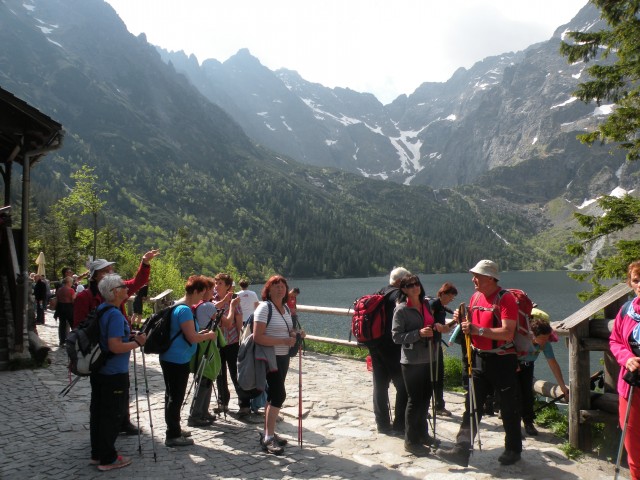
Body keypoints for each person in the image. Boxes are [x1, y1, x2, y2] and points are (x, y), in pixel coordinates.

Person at [437, 259, 522, 467]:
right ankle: (461, 450)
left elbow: (508, 332)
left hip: (502, 359)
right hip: (479, 358)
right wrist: (462, 318)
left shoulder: (506, 299)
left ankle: (513, 449)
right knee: (471, 405)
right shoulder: (476, 296)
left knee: (508, 405)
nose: (473, 279)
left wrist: (478, 330)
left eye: (478, 276)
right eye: (474, 275)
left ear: (491, 278)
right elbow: (471, 324)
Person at [73, 250, 160, 435]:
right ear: (96, 276)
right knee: (103, 390)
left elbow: (137, 282)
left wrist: (145, 263)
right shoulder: (85, 297)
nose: (111, 272)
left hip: (117, 347)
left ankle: (122, 421)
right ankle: (104, 432)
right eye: (107, 270)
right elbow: (79, 327)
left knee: (121, 387)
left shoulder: (115, 293)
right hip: (100, 350)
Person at [90, 274, 147, 471]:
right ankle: (108, 459)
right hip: (114, 372)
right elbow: (115, 346)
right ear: (115, 292)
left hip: (100, 370)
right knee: (112, 416)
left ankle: (97, 454)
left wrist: (128, 336)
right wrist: (137, 343)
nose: (126, 289)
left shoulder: (102, 309)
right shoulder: (114, 314)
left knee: (98, 412)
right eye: (123, 286)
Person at [160, 275, 217, 447]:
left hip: (171, 357)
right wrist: (208, 335)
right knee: (175, 397)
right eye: (203, 293)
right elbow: (191, 337)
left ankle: (174, 427)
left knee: (171, 395)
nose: (203, 297)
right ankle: (173, 435)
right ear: (197, 291)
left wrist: (199, 334)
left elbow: (186, 333)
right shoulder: (184, 310)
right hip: (177, 359)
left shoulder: (178, 306)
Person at [253, 275, 305, 455]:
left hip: (283, 358)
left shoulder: (284, 309)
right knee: (279, 394)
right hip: (269, 358)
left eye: (282, 285)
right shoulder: (263, 309)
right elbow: (257, 336)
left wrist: (296, 333)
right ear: (268, 289)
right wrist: (283, 340)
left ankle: (270, 433)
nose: (280, 288)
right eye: (275, 285)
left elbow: (287, 329)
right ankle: (267, 438)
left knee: (272, 396)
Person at [392, 274, 441, 457]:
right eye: (410, 285)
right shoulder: (401, 310)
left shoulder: (426, 305)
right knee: (414, 401)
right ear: (404, 289)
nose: (415, 287)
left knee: (425, 398)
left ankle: (422, 434)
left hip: (429, 357)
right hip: (411, 362)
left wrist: (437, 328)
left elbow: (430, 325)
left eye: (416, 284)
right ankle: (410, 441)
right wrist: (418, 333)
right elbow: (396, 337)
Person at [366, 267, 409, 436]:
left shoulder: (378, 293)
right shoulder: (398, 295)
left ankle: (382, 424)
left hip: (375, 346)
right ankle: (400, 424)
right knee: (403, 387)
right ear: (400, 281)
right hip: (393, 348)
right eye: (407, 281)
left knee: (380, 386)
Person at [609, 260, 640, 480]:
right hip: (631, 387)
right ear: (630, 283)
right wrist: (627, 357)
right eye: (636, 280)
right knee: (632, 441)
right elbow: (615, 341)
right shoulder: (626, 311)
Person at [518, 313, 569, 436]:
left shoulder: (546, 344)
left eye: (547, 338)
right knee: (515, 395)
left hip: (528, 366)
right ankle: (514, 426)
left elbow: (553, 364)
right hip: (514, 365)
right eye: (542, 338)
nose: (545, 341)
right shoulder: (521, 340)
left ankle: (528, 422)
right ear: (533, 335)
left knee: (527, 395)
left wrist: (562, 387)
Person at [189, 277, 225, 427]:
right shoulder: (208, 306)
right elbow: (226, 322)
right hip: (208, 346)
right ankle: (196, 414)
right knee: (206, 379)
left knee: (205, 379)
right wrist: (233, 305)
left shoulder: (199, 305)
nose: (214, 291)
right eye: (212, 289)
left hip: (202, 345)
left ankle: (203, 411)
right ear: (205, 291)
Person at [212, 273, 245, 416]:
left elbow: (238, 320)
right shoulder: (212, 300)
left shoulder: (234, 301)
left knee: (235, 372)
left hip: (232, 341)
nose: (217, 286)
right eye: (216, 283)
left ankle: (244, 404)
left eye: (220, 283)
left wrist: (241, 338)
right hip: (217, 342)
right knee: (219, 373)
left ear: (227, 287)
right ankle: (222, 402)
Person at [429, 282, 458, 416]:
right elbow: (429, 322)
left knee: (438, 375)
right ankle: (431, 406)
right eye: (451, 297)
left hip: (436, 343)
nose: (451, 300)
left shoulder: (441, 306)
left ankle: (439, 405)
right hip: (429, 345)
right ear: (444, 294)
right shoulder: (434, 304)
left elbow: (444, 329)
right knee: (431, 376)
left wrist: (455, 322)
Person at [56, 276, 76, 346]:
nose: (72, 283)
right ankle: (74, 340)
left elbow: (57, 299)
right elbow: (73, 300)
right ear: (68, 282)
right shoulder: (71, 290)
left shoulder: (59, 290)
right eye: (71, 282)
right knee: (73, 324)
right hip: (69, 307)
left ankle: (62, 341)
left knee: (62, 325)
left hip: (61, 308)